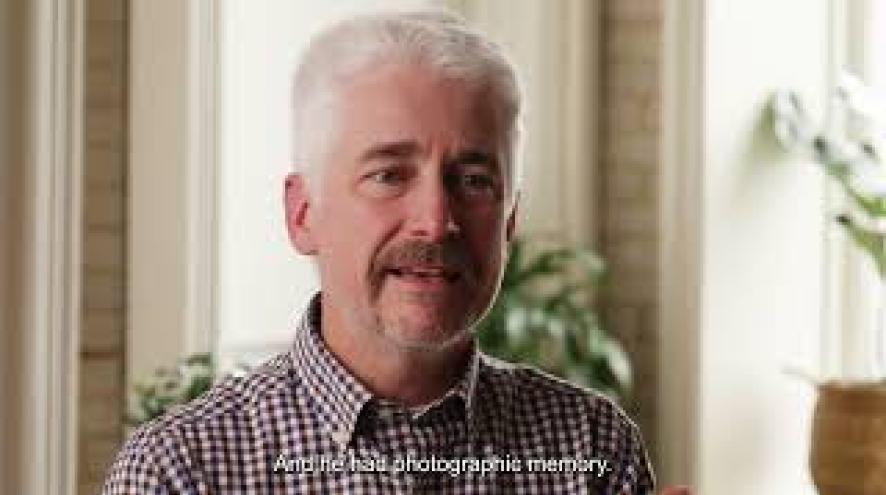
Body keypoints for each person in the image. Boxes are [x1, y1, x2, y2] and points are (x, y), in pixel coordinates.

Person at [104, 10, 675, 494]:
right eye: (389, 175)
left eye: (473, 180)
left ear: (509, 220)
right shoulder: (182, 472)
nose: (435, 222)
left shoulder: (593, 450)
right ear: (302, 214)